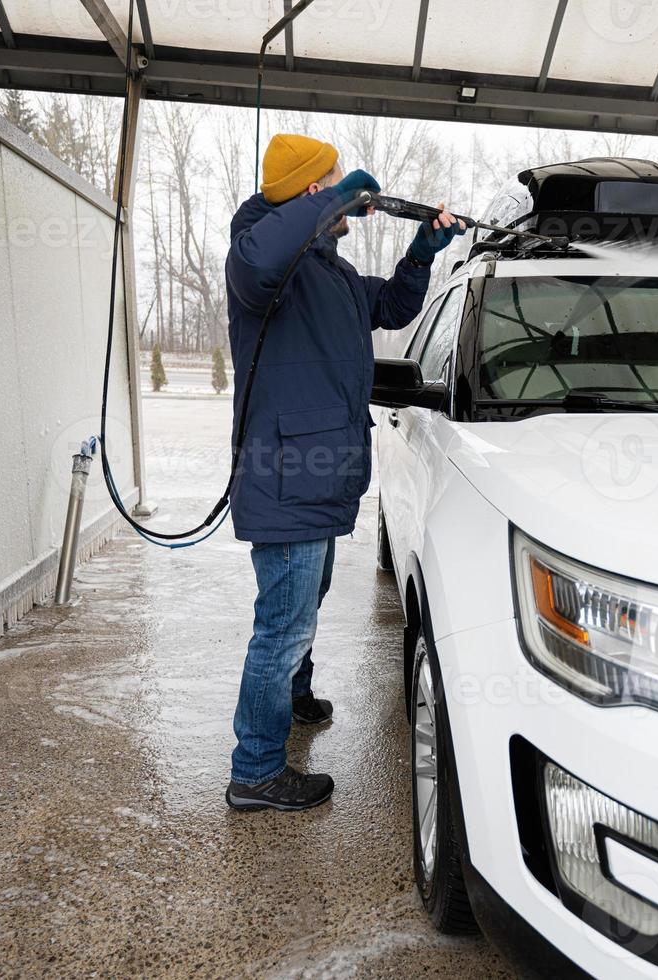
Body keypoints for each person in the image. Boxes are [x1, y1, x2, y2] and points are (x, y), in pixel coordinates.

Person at [222, 133, 466, 812]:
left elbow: (389, 306)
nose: (345, 205)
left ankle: (293, 697)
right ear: (310, 193)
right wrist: (337, 193)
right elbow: (267, 251)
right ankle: (257, 771)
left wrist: (419, 255)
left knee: (300, 607)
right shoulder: (259, 262)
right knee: (283, 626)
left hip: (318, 479)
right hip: (288, 476)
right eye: (328, 188)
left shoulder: (326, 271)